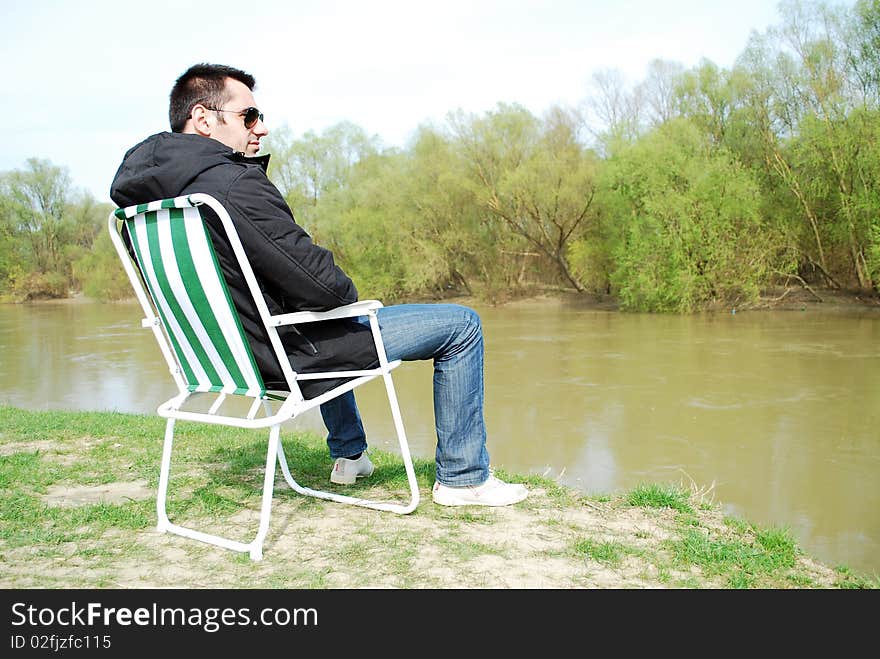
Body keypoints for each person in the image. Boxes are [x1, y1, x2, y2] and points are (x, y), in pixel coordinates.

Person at [110, 63, 527, 507]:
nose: (262, 128)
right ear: (204, 119)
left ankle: (350, 456)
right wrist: (340, 288)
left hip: (225, 362)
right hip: (284, 359)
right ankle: (464, 479)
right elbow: (326, 289)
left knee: (308, 314)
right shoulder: (232, 184)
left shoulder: (147, 204)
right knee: (460, 325)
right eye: (249, 116)